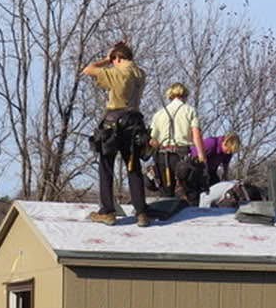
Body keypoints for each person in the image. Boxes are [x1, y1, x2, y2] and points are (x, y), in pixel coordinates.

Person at [82, 41, 150, 227]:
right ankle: (141, 213)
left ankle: (107, 212)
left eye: (114, 60)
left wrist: (105, 60)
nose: (113, 63)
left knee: (106, 166)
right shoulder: (140, 73)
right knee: (133, 166)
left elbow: (88, 69)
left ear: (118, 58)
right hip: (135, 122)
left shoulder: (119, 72)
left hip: (114, 122)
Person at [149, 83, 206, 198]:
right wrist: (201, 155)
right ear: (185, 95)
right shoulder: (190, 111)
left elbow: (152, 140)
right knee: (190, 191)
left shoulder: (158, 114)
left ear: (170, 95)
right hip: (182, 154)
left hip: (162, 155)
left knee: (166, 194)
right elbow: (196, 135)